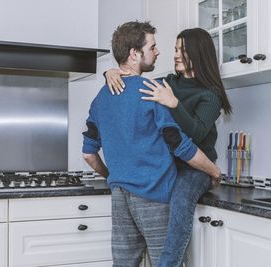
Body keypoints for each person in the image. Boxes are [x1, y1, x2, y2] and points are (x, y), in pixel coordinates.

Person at [82, 21, 221, 267]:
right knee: (165, 262)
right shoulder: (152, 91)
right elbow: (181, 145)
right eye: (153, 47)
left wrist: (113, 175)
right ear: (135, 54)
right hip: (154, 194)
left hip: (120, 194)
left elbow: (89, 155)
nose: (160, 52)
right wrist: (213, 170)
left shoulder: (100, 99)